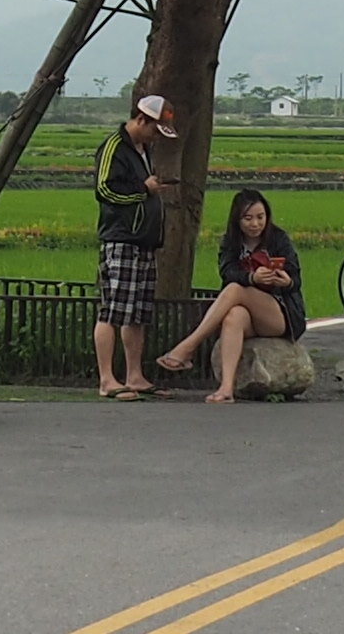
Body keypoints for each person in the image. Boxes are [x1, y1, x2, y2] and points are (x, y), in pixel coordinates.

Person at [155, 188, 305, 402]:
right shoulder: (231, 242)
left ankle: (189, 346)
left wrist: (286, 281)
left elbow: (296, 279)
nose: (255, 224)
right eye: (248, 218)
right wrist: (253, 278)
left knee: (235, 289)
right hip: (250, 314)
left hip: (280, 314)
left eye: (260, 217)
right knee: (234, 315)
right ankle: (226, 389)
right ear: (238, 220)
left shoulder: (278, 239)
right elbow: (228, 271)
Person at [91, 93, 175, 398]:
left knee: (137, 312)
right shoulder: (114, 147)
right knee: (112, 311)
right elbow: (104, 190)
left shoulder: (143, 149)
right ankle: (106, 379)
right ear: (141, 120)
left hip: (144, 241)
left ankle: (135, 375)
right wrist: (143, 190)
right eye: (154, 130)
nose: (156, 137)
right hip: (121, 239)